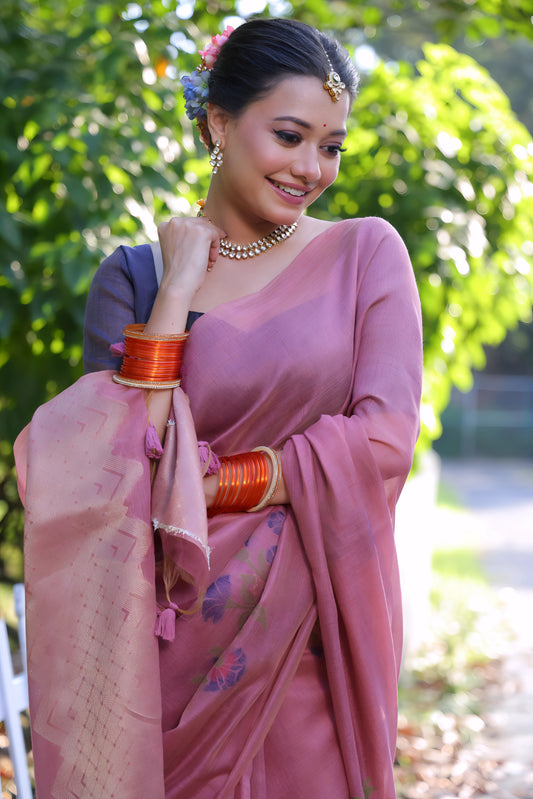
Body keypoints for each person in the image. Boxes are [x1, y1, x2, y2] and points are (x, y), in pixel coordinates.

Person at [15, 17, 422, 799]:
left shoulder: (365, 256)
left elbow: (381, 441)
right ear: (218, 122)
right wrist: (176, 289)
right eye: (290, 135)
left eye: (329, 146)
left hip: (300, 641)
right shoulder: (134, 279)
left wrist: (214, 484)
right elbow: (114, 469)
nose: (310, 167)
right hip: (163, 646)